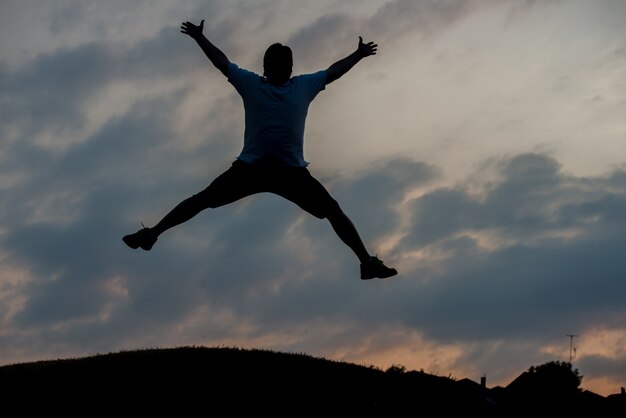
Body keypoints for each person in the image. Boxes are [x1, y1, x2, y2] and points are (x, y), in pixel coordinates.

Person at [123, 19, 397, 280]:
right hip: (250, 169)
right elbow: (222, 62)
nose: (284, 69)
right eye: (279, 65)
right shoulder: (253, 83)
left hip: (291, 173)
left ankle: (366, 262)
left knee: (333, 211)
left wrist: (358, 55)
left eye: (287, 64)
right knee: (202, 199)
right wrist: (200, 38)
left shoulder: (303, 85)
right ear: (266, 67)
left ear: (291, 67)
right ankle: (152, 234)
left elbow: (333, 71)